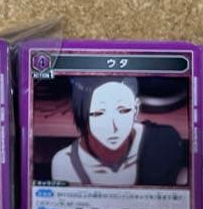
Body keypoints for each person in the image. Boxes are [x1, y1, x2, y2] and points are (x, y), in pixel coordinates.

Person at [51, 77, 187, 187]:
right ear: (83, 115)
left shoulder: (164, 143)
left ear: (136, 109)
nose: (113, 127)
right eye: (99, 113)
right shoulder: (65, 164)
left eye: (123, 111)